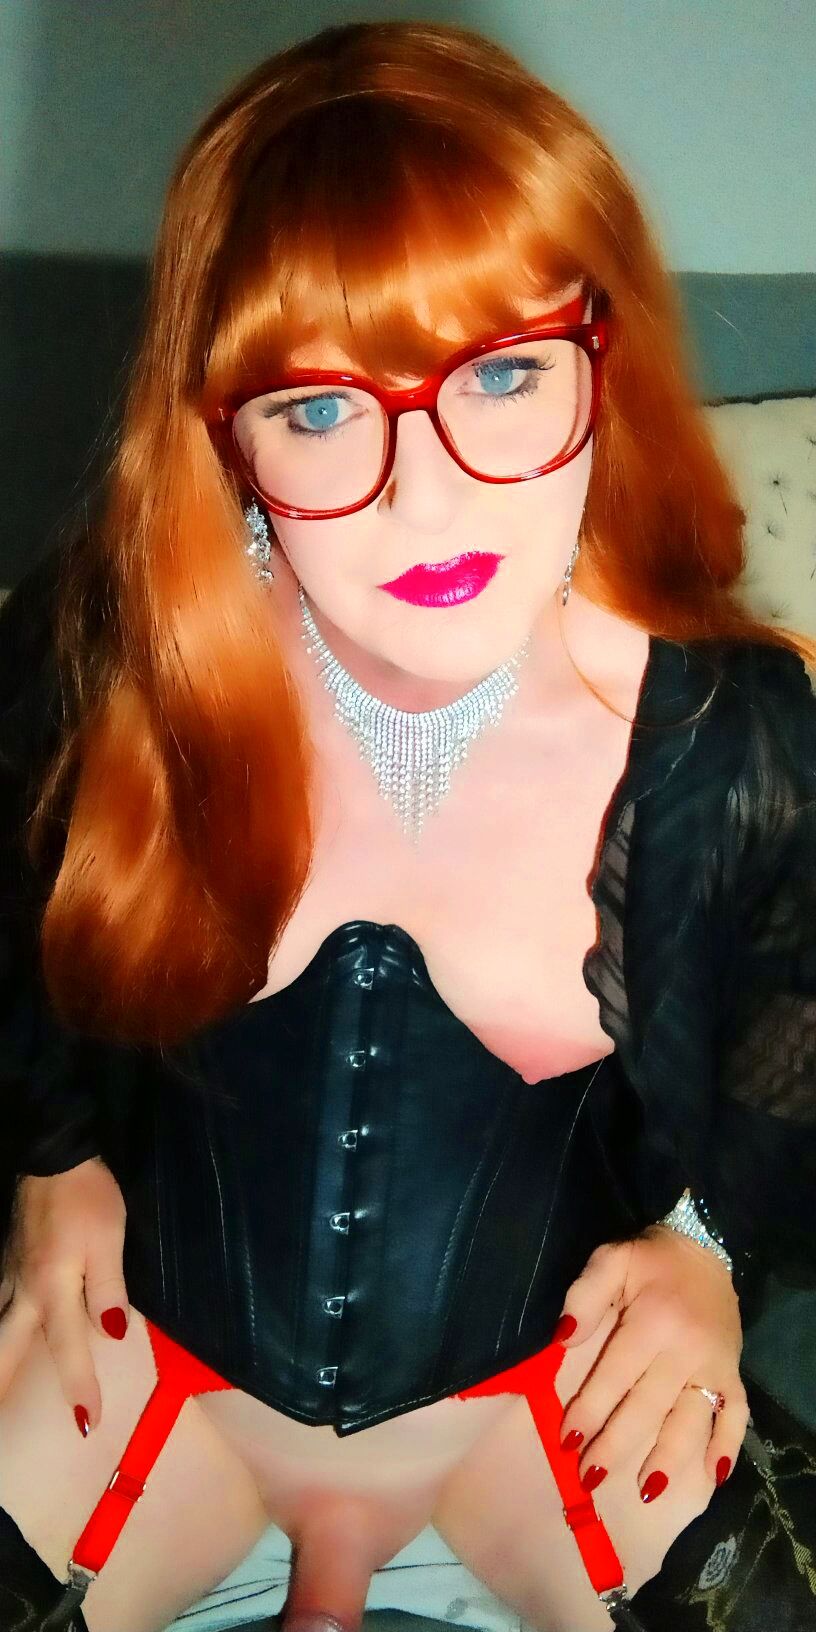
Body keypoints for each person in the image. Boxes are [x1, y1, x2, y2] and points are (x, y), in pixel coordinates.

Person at [0, 17, 814, 1632]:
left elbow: (798, 1016)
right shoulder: (102, 665)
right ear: (222, 427)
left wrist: (706, 1242)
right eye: (317, 408)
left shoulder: (736, 736)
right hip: (155, 1384)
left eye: (502, 373)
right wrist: (55, 1162)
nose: (419, 499)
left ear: (602, 356)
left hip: (537, 1404)